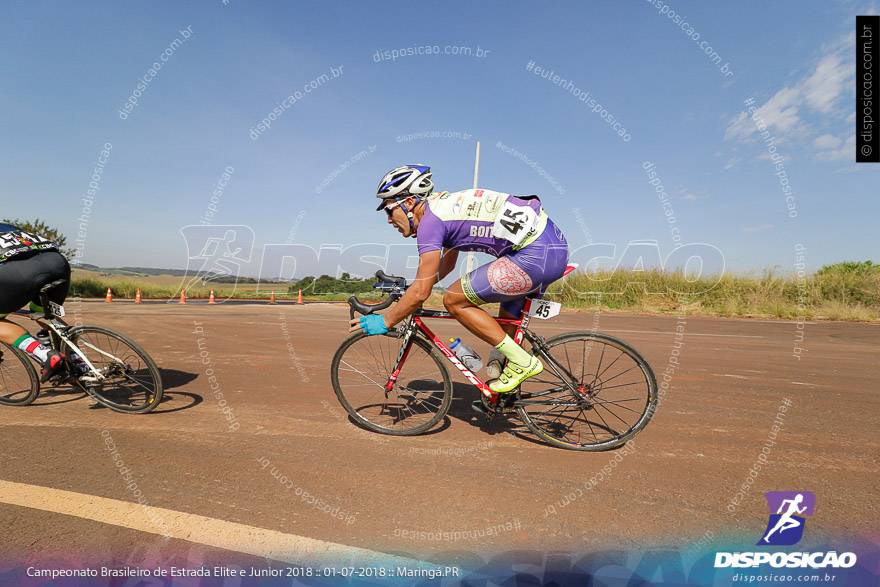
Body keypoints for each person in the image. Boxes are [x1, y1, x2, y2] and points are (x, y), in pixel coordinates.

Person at [348, 164, 570, 394]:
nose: (389, 220)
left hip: (533, 255)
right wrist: (414, 289)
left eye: (388, 210)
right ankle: (506, 397)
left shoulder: (430, 222)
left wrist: (386, 321)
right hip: (551, 248)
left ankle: (524, 363)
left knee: (454, 299)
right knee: (504, 333)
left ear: (409, 202)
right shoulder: (442, 207)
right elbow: (447, 264)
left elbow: (422, 292)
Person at [0, 222, 71, 382]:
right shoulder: (5, 226)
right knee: (41, 310)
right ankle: (79, 364)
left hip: (17, 272)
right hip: (57, 262)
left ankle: (44, 353)